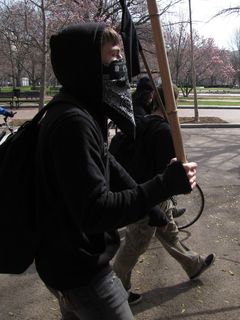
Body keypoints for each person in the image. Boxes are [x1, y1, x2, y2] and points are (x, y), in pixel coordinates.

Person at [34, 23, 197, 320]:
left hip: (64, 263)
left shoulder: (79, 111)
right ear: (86, 65)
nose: (121, 66)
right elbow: (95, 211)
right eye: (114, 57)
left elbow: (107, 161)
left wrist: (150, 208)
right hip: (82, 271)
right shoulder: (73, 123)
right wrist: (164, 185)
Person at [110, 84, 215, 305]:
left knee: (169, 233)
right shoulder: (165, 132)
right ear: (173, 103)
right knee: (134, 245)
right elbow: (169, 175)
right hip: (149, 198)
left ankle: (193, 265)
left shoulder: (142, 122)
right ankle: (114, 290)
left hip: (145, 193)